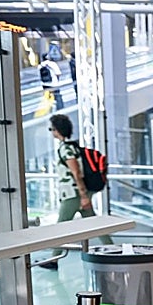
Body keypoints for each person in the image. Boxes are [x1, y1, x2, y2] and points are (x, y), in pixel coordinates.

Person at [47, 113, 110, 266]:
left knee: (61, 226)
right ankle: (113, 249)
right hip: (79, 193)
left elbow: (76, 172)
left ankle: (54, 259)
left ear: (58, 130)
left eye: (52, 129)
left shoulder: (66, 149)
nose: (51, 132)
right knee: (94, 224)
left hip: (73, 194)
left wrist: (83, 196)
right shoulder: (73, 146)